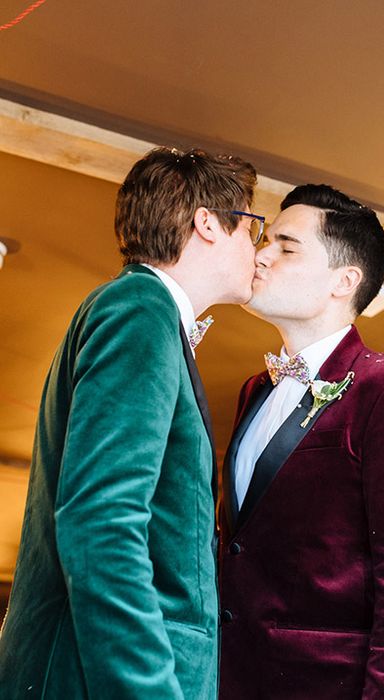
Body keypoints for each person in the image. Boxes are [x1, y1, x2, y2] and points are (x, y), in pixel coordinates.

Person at [0, 147, 260, 699]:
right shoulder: (140, 310)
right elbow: (102, 520)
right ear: (207, 223)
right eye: (253, 227)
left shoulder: (138, 310)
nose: (257, 250)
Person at [218, 184, 384, 699]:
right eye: (265, 240)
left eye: (286, 245)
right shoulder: (253, 391)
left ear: (343, 281)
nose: (261, 254)